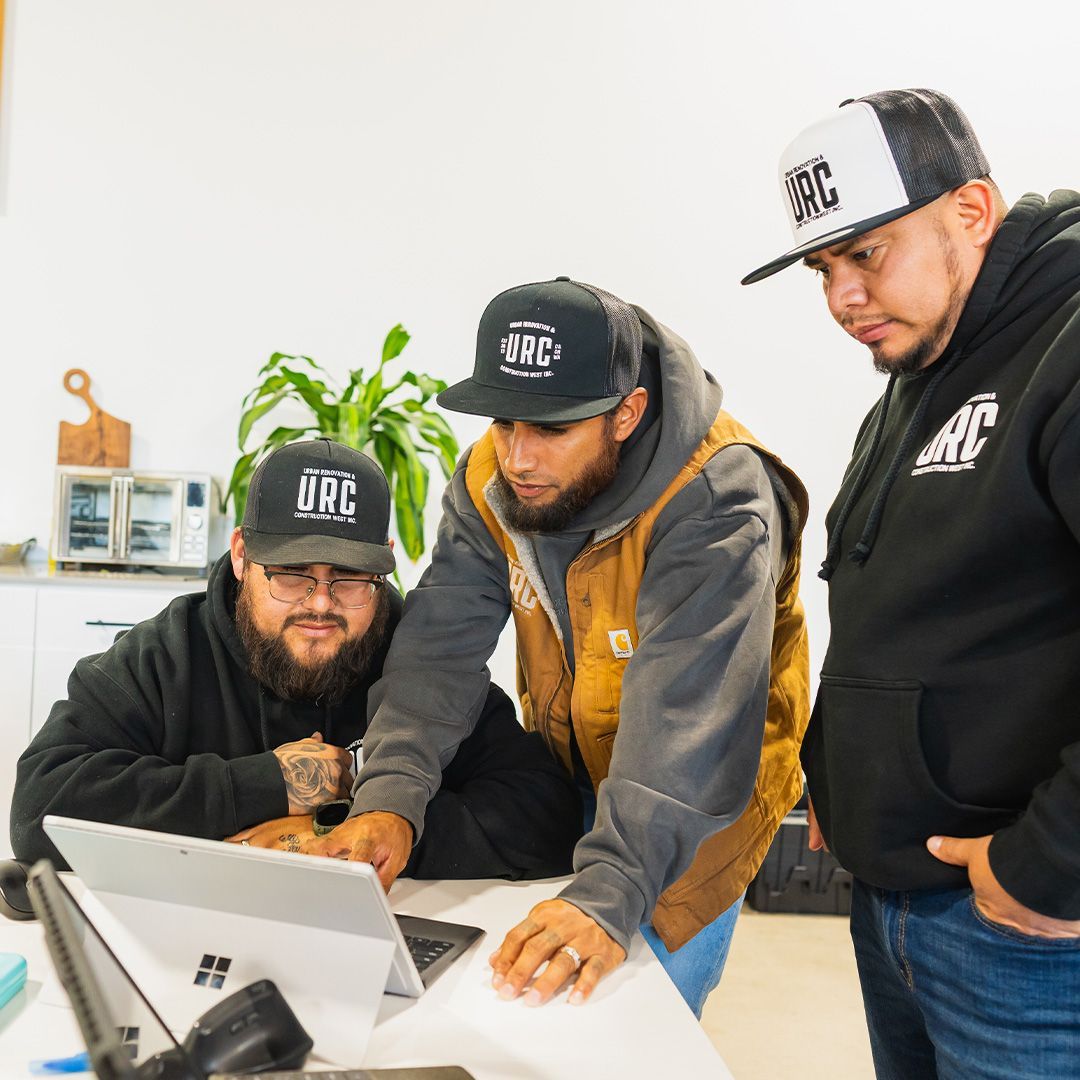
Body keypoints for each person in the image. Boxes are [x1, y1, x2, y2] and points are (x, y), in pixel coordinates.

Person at [304, 277, 811, 1016]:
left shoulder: (715, 495)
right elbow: (438, 651)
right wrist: (390, 798)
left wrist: (611, 892)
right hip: (574, 764)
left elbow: (688, 726)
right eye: (505, 423)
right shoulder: (492, 476)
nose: (518, 458)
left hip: (697, 802)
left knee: (628, 1027)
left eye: (551, 430)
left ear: (627, 414)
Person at [743, 89, 1080, 1078]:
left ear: (970, 212)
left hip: (1022, 937)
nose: (843, 296)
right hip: (898, 907)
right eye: (823, 267)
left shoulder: (1064, 347)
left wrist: (1046, 867)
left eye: (868, 253)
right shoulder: (916, 378)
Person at [11, 438, 582, 882]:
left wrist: (334, 832)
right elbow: (40, 810)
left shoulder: (421, 662)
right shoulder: (165, 655)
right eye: (290, 575)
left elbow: (544, 814)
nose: (320, 605)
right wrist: (266, 785)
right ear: (241, 555)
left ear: (383, 563)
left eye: (351, 579)